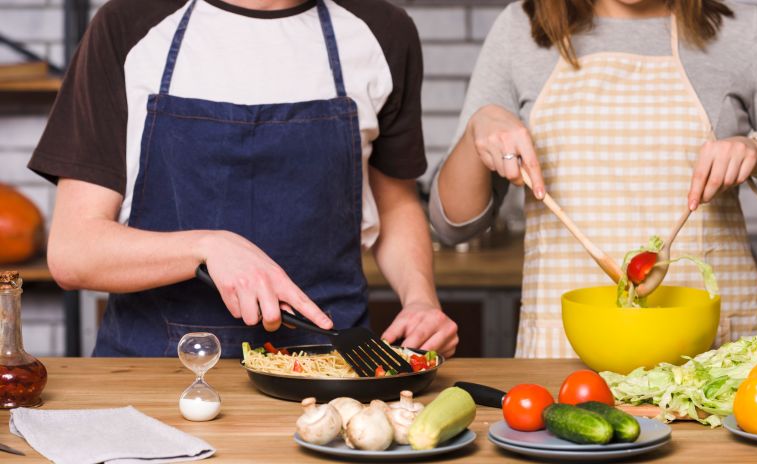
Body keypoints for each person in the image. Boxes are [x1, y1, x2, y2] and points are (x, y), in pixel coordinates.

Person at [29, 0, 458, 358]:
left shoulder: (383, 32)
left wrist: (421, 299)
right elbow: (74, 251)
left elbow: (395, 203)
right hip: (153, 368)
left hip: (330, 365)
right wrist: (207, 247)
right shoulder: (128, 25)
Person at [431, 0, 757, 358]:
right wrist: (477, 128)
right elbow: (453, 224)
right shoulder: (522, 28)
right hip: (565, 356)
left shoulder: (741, 32)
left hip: (710, 358)